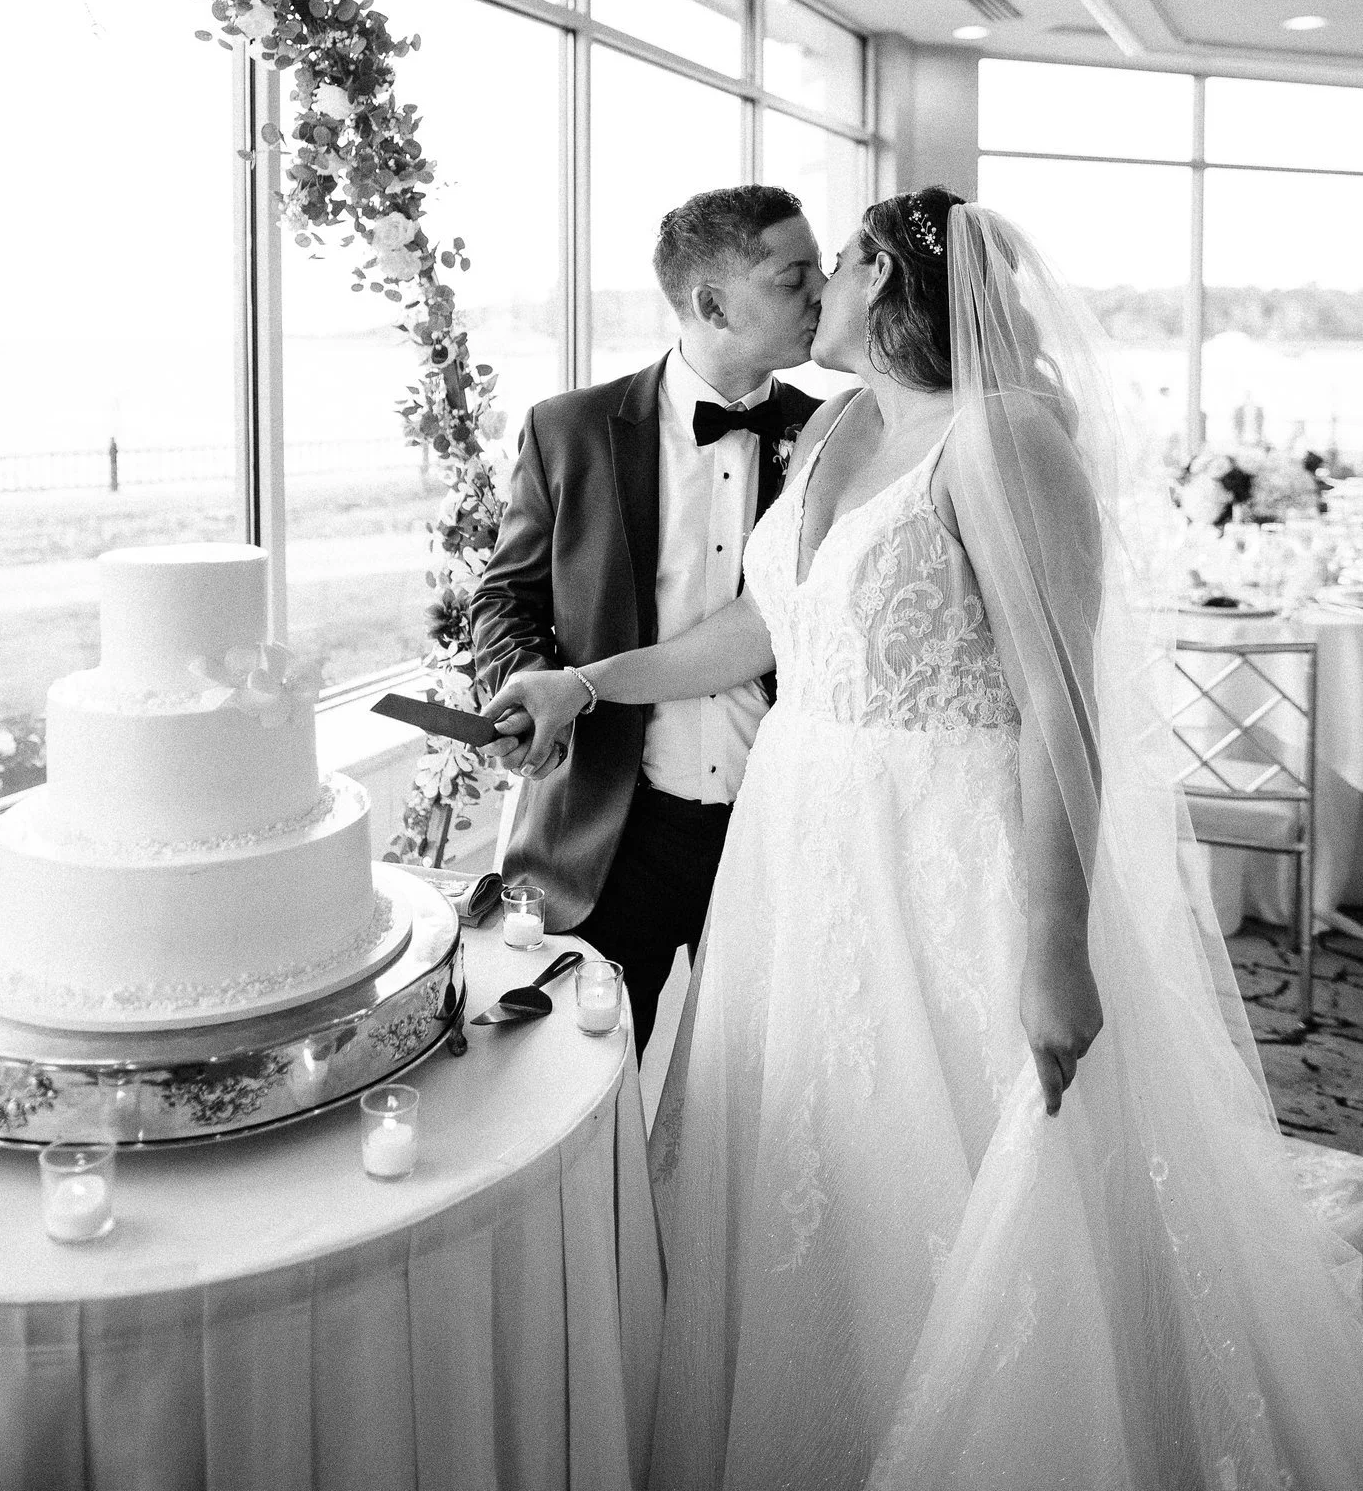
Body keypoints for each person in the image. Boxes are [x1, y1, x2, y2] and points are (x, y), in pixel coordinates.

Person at [488, 189, 1363, 1491]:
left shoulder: (1004, 439)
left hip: (945, 856)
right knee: (808, 1160)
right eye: (797, 272)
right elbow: (767, 626)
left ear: (887, 282)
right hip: (800, 853)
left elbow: (1060, 709)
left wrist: (1056, 944)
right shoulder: (839, 425)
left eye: (830, 264)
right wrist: (586, 681)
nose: (814, 289)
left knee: (959, 1163)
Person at [471, 184, 824, 1060]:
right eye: (793, 278)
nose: (822, 292)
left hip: (777, 822)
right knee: (581, 1074)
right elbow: (505, 598)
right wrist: (530, 690)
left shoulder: (831, 437)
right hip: (610, 831)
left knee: (769, 1081)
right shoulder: (570, 429)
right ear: (711, 304)